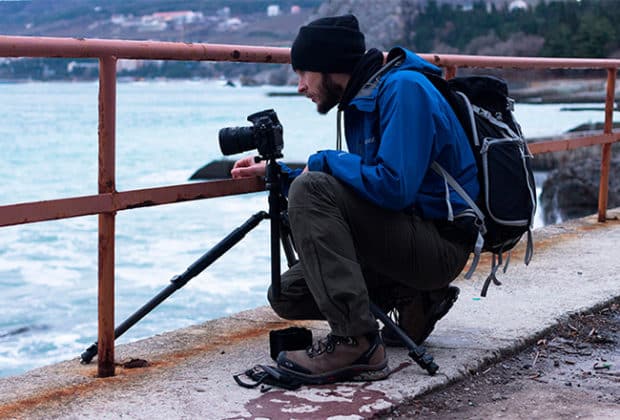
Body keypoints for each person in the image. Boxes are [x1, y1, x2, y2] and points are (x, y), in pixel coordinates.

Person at [231, 14, 479, 384]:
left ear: (331, 67)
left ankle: (357, 343)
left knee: (311, 187)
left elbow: (394, 187)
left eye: (304, 73)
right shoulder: (361, 99)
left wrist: (322, 162)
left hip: (440, 243)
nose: (300, 86)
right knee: (287, 295)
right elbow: (361, 185)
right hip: (405, 235)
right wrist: (276, 176)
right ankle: (415, 297)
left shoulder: (403, 90)